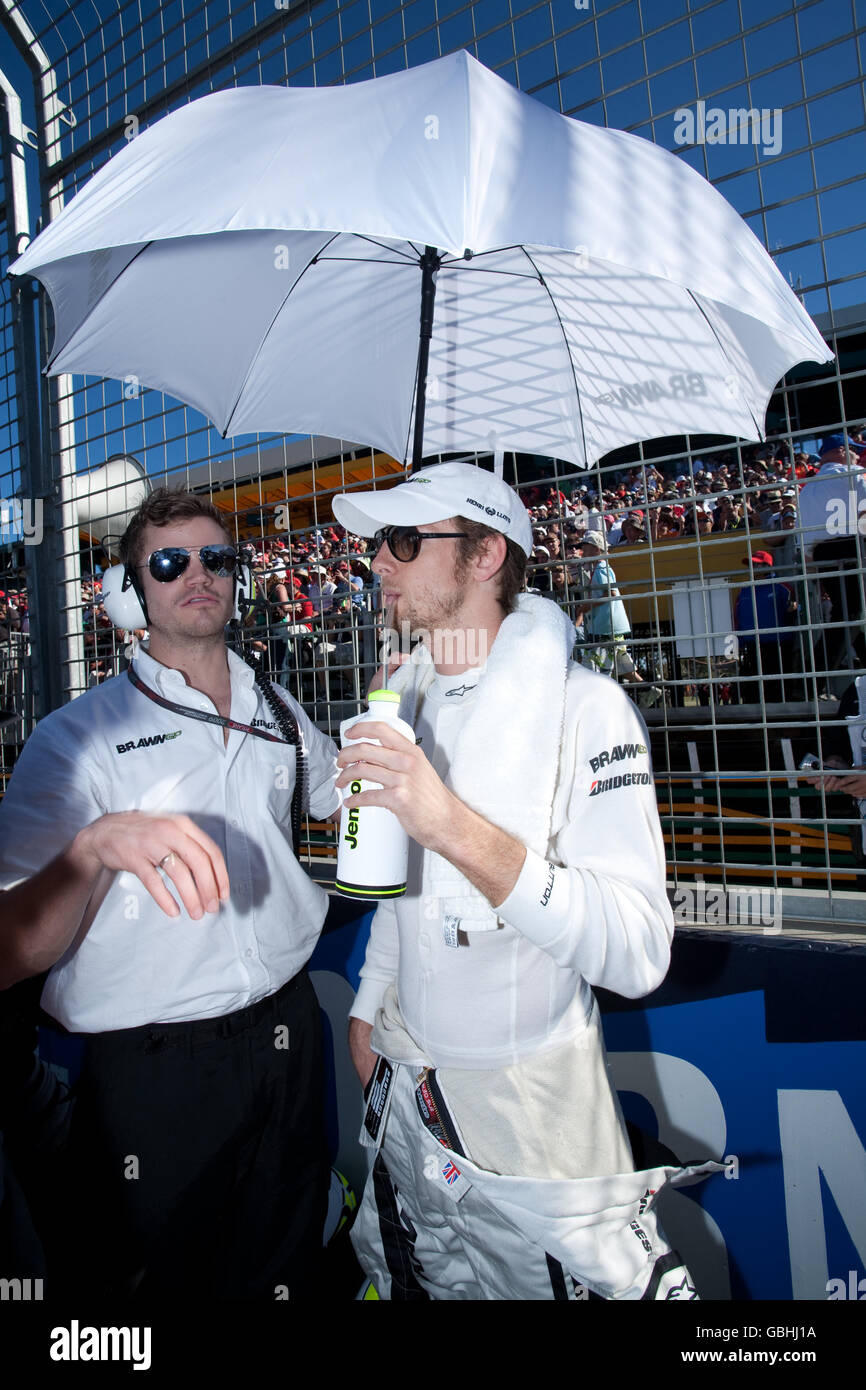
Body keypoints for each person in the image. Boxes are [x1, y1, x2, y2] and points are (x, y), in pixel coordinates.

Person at [330, 461, 708, 1302]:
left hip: (536, 1126)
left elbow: (640, 952)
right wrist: (367, 1007)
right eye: (374, 546)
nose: (376, 565)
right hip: (414, 1103)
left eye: (400, 541)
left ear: (486, 553)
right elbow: (408, 893)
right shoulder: (405, 698)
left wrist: (452, 826)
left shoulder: (588, 707)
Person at [0, 488, 341, 1300]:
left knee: (285, 1270)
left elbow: (348, 802)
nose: (198, 574)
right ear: (134, 589)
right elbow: (9, 949)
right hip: (154, 1077)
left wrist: (402, 716)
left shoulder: (279, 710)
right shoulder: (73, 738)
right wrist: (94, 849)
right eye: (170, 561)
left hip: (291, 1038)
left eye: (216, 558)